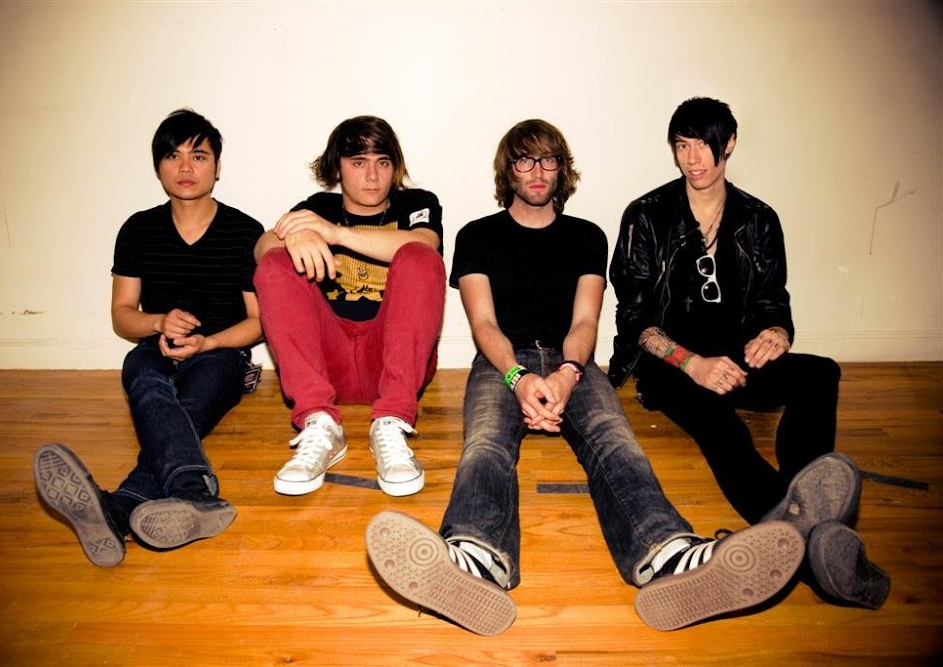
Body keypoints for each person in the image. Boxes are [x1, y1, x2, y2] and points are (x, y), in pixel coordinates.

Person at [364, 119, 808, 635]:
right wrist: (517, 378)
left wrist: (569, 373)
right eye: (524, 160)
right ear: (508, 170)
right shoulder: (477, 235)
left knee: (615, 442)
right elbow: (484, 325)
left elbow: (585, 323)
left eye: (548, 160)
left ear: (562, 169)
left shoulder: (586, 236)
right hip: (501, 360)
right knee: (485, 444)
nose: (537, 171)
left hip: (571, 360)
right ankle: (476, 557)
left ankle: (668, 553)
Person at [608, 96, 890, 609]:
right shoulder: (646, 215)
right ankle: (815, 550)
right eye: (682, 146)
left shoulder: (759, 219)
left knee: (820, 373)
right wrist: (692, 363)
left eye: (704, 145)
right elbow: (634, 320)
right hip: (672, 364)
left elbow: (771, 301)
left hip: (737, 356)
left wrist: (776, 333)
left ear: (730, 143)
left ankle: (803, 505)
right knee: (723, 429)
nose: (693, 158)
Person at [33, 109, 263, 567]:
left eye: (199, 156)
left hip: (221, 353)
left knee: (188, 408)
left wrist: (209, 343)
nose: (185, 167)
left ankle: (121, 506)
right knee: (141, 375)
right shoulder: (138, 229)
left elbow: (259, 321)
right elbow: (122, 316)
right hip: (155, 349)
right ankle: (193, 493)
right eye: (173, 156)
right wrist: (158, 323)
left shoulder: (244, 231)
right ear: (158, 166)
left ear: (217, 166)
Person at [254, 116, 445, 497]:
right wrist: (292, 239)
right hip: (328, 364)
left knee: (421, 258)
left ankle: (391, 421)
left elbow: (425, 244)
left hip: (392, 363)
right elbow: (261, 248)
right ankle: (319, 421)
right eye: (359, 162)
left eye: (382, 162)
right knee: (275, 263)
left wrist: (336, 234)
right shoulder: (317, 207)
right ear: (337, 167)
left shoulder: (416, 203)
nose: (372, 176)